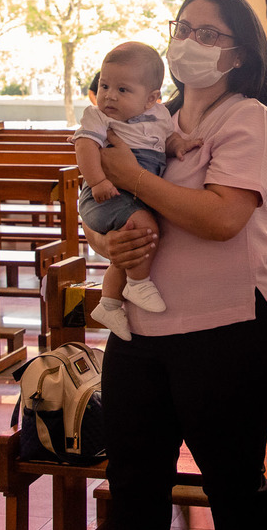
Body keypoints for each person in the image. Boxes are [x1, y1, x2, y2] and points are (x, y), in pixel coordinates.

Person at [82, 0, 267, 530]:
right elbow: (99, 209)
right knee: (132, 487)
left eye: (208, 34)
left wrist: (135, 177)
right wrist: (109, 246)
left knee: (232, 487)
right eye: (182, 28)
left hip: (228, 332)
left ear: (240, 53)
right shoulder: (154, 118)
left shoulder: (249, 119)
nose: (188, 42)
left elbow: (223, 218)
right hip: (143, 331)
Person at [71, 43, 194, 339]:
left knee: (128, 246)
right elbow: (84, 146)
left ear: (151, 99)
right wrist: (99, 181)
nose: (109, 95)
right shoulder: (98, 117)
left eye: (123, 90)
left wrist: (179, 146)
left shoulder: (160, 116)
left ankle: (110, 304)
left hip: (132, 192)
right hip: (105, 192)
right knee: (145, 228)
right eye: (104, 85)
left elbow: (169, 139)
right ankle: (138, 285)